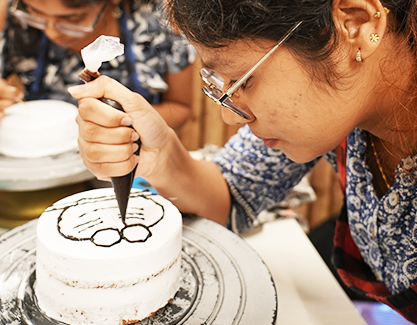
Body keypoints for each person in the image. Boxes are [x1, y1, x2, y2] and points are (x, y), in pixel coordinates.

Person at [69, 0, 417, 322]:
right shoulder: (338, 103)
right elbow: (231, 192)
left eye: (243, 81)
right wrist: (160, 154)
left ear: (353, 25)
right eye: (220, 84)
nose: (231, 118)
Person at [0, 0, 195, 128]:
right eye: (35, 13)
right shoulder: (12, 15)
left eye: (71, 19)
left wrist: (121, 121)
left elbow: (180, 108)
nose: (51, 32)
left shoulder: (162, 24)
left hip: (126, 157)